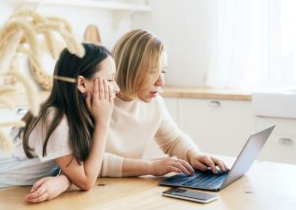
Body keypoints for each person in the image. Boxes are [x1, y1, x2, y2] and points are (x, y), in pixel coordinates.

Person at [25, 29, 228, 203]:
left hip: (119, 191)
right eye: (152, 72)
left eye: (163, 71)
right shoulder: (93, 102)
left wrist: (194, 154)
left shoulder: (154, 103)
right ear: (129, 69)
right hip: (95, 194)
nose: (160, 82)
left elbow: (173, 139)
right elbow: (88, 162)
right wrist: (150, 166)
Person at [0, 44, 120, 196]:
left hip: (13, 189)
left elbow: (86, 164)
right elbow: (86, 180)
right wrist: (103, 122)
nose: (116, 88)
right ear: (82, 84)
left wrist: (63, 180)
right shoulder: (54, 120)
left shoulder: (79, 116)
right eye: (110, 80)